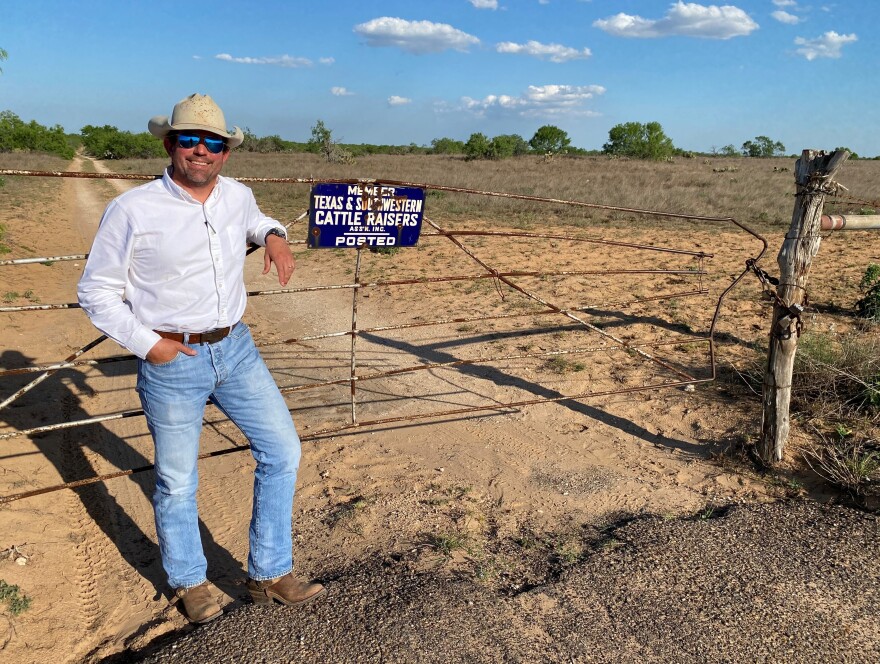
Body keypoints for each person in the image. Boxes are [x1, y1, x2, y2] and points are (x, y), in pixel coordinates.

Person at [77, 93, 325, 623]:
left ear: (226, 152)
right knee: (176, 480)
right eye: (188, 139)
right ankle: (190, 581)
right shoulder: (133, 209)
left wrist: (276, 237)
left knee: (282, 451)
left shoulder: (236, 195)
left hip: (236, 348)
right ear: (169, 144)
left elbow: (256, 220)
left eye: (212, 142)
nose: (200, 150)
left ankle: (269, 574)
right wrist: (151, 345)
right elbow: (96, 291)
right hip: (173, 358)